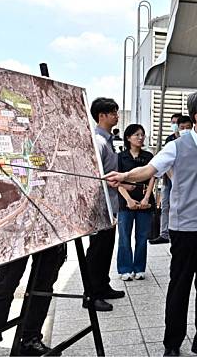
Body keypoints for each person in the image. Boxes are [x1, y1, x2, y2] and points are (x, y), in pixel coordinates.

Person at [105, 90, 197, 357]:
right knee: (180, 287)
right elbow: (150, 170)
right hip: (184, 229)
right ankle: (172, 344)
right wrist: (125, 175)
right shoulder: (177, 146)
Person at [0, 245, 66, 356]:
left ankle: (31, 340)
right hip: (13, 233)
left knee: (44, 284)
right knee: (5, 284)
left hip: (50, 232)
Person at [84, 97, 127, 312]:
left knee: (106, 247)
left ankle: (103, 285)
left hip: (110, 204)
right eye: (113, 113)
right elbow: (93, 175)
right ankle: (91, 295)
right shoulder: (98, 141)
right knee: (97, 251)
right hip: (100, 205)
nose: (116, 116)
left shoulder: (108, 140)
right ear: (102, 116)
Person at [117, 124, 156, 281]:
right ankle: (125, 268)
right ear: (128, 138)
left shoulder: (148, 156)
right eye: (137, 135)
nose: (140, 138)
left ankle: (139, 267)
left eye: (142, 135)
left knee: (142, 236)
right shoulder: (120, 157)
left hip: (145, 201)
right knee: (124, 236)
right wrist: (128, 199)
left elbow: (153, 176)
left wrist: (146, 197)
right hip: (125, 201)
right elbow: (117, 180)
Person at [150, 113, 184, 245]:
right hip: (168, 178)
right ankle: (164, 233)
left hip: (181, 179)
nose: (174, 125)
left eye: (177, 123)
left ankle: (176, 231)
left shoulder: (187, 141)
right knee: (165, 205)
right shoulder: (169, 140)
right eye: (173, 122)